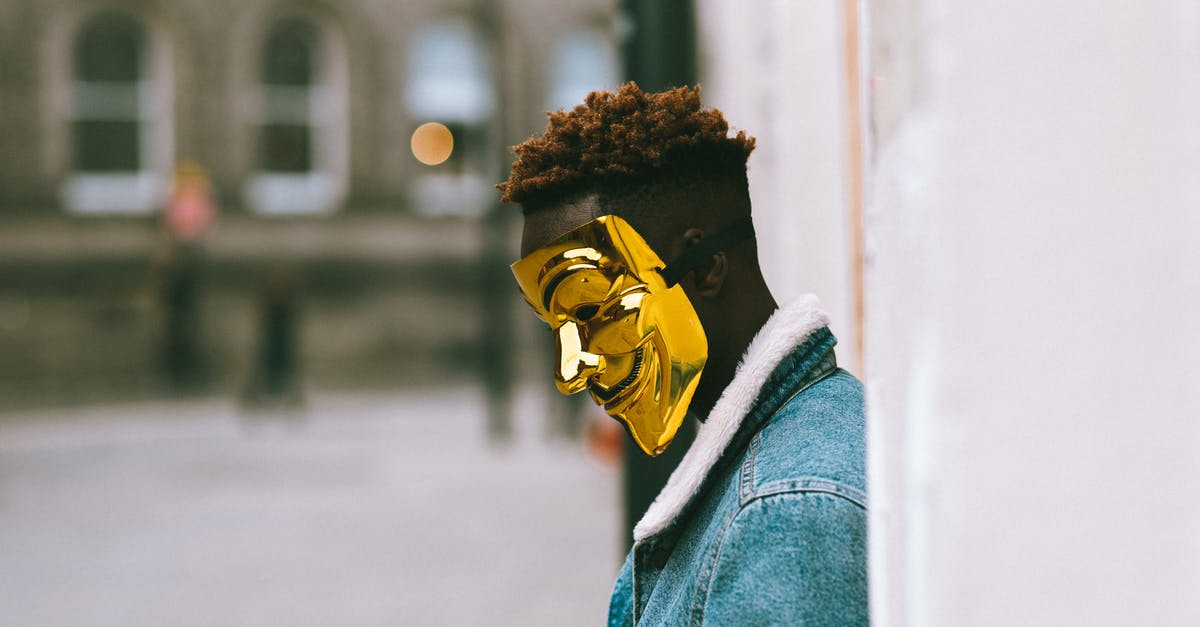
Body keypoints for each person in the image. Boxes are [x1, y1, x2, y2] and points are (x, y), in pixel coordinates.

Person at [499, 83, 867, 625]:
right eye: (556, 327)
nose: (570, 369)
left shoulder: (783, 512)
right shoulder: (784, 466)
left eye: (593, 314)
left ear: (702, 270)